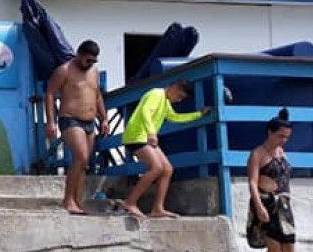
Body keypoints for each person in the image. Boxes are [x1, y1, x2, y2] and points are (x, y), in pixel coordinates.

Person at [119, 80, 211, 219]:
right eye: (179, 96)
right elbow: (145, 112)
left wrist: (199, 114)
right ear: (174, 87)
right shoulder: (156, 93)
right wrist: (151, 132)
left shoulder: (166, 102)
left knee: (167, 169)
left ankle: (157, 208)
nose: (179, 100)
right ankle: (130, 202)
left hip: (146, 138)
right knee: (156, 168)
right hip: (136, 136)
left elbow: (175, 117)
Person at [246, 109, 304, 252]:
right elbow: (252, 183)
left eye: (287, 137)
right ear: (269, 132)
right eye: (280, 136)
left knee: (289, 247)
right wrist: (259, 206)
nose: (284, 140)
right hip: (266, 203)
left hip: (283, 205)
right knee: (274, 248)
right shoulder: (258, 153)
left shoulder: (282, 152)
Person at [44, 40, 109, 215]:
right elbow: (49, 94)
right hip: (70, 119)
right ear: (79, 55)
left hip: (89, 122)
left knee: (84, 162)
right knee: (80, 157)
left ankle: (77, 201)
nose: (90, 64)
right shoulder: (64, 70)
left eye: (94, 61)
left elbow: (97, 95)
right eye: (88, 60)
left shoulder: (93, 72)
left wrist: (104, 119)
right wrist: (51, 122)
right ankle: (67, 200)